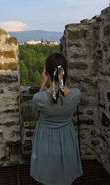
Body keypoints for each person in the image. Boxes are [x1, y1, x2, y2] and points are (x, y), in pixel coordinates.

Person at [30, 53, 83, 185]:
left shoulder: (40, 99)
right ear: (65, 72)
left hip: (46, 140)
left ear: (46, 73)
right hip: (67, 138)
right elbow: (61, 93)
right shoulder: (76, 95)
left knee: (47, 174)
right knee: (65, 173)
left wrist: (43, 82)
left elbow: (34, 111)